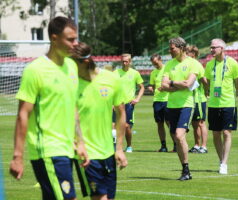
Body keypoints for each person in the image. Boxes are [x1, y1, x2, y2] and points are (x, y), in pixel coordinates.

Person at [9, 16, 89, 200]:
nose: (75, 44)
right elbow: (23, 114)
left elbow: (73, 108)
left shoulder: (71, 67)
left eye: (76, 38)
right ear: (54, 38)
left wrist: (80, 141)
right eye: (70, 39)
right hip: (47, 150)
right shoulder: (35, 70)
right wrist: (17, 156)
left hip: (67, 148)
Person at [72, 42, 128, 200]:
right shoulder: (71, 84)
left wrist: (119, 149)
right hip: (87, 154)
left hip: (108, 153)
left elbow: (121, 112)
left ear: (85, 61)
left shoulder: (111, 79)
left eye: (73, 63)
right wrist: (79, 143)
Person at [161, 37, 200, 181]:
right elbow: (163, 85)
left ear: (181, 48)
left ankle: (186, 169)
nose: (169, 51)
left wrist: (171, 83)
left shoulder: (193, 63)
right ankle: (185, 170)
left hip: (186, 105)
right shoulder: (169, 64)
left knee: (178, 135)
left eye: (172, 48)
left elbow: (188, 84)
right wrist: (178, 85)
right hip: (172, 106)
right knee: (177, 139)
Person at [204, 38, 238, 175]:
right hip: (214, 103)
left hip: (228, 103)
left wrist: (233, 95)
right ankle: (221, 161)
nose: (212, 50)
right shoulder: (209, 65)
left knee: (226, 132)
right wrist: (208, 93)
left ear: (222, 48)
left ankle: (224, 163)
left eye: (214, 47)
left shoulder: (232, 63)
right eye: (211, 47)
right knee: (215, 133)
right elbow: (207, 82)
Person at [114, 54, 144, 153]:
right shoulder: (115, 73)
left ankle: (129, 146)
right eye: (123, 61)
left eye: (126, 61)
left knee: (127, 126)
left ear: (130, 62)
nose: (124, 63)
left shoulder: (135, 73)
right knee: (115, 126)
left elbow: (142, 87)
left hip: (129, 104)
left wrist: (137, 99)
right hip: (117, 104)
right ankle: (117, 147)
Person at [148, 54, 176, 152]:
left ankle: (176, 145)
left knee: (169, 123)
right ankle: (163, 146)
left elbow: (173, 82)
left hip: (168, 100)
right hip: (157, 101)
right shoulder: (153, 72)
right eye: (153, 64)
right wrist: (151, 87)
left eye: (156, 62)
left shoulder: (168, 69)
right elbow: (151, 84)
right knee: (159, 123)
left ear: (160, 60)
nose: (155, 65)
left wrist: (165, 87)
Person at [186, 45, 209, 154]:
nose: (185, 54)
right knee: (195, 124)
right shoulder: (187, 65)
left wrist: (206, 91)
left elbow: (204, 80)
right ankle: (196, 145)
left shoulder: (198, 65)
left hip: (199, 99)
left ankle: (203, 146)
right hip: (191, 99)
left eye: (187, 53)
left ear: (193, 55)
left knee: (201, 123)